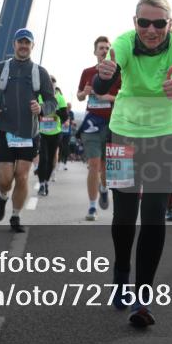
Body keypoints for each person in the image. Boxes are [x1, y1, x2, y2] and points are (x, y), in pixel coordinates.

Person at [94, 0, 172, 327]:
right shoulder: (124, 42)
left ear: (169, 24)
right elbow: (102, 80)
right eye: (144, 23)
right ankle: (122, 273)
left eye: (158, 23)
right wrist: (105, 72)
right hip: (124, 131)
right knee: (125, 214)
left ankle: (143, 298)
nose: (151, 30)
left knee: (153, 214)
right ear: (134, 22)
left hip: (167, 135)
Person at [0, 29, 57, 233]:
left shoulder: (39, 72)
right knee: (6, 179)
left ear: (32, 46)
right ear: (14, 45)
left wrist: (42, 109)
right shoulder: (1, 68)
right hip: (6, 131)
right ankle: (3, 196)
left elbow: (51, 101)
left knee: (22, 176)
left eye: (27, 43)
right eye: (20, 42)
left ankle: (15, 216)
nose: (23, 46)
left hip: (29, 133)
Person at [77, 36, 119, 220]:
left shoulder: (119, 73)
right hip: (92, 124)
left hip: (112, 124)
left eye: (107, 48)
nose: (103, 51)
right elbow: (79, 96)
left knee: (106, 168)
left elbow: (124, 98)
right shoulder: (87, 72)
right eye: (101, 48)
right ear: (95, 52)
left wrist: (107, 97)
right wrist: (84, 93)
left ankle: (104, 188)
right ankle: (92, 207)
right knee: (94, 164)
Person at [35, 76, 68, 196]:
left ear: (55, 86)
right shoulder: (39, 97)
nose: (51, 87)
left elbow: (65, 117)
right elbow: (34, 113)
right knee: (43, 159)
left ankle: (46, 181)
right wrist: (42, 112)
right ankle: (41, 184)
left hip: (56, 133)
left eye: (53, 85)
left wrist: (56, 112)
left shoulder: (60, 98)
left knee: (50, 159)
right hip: (42, 133)